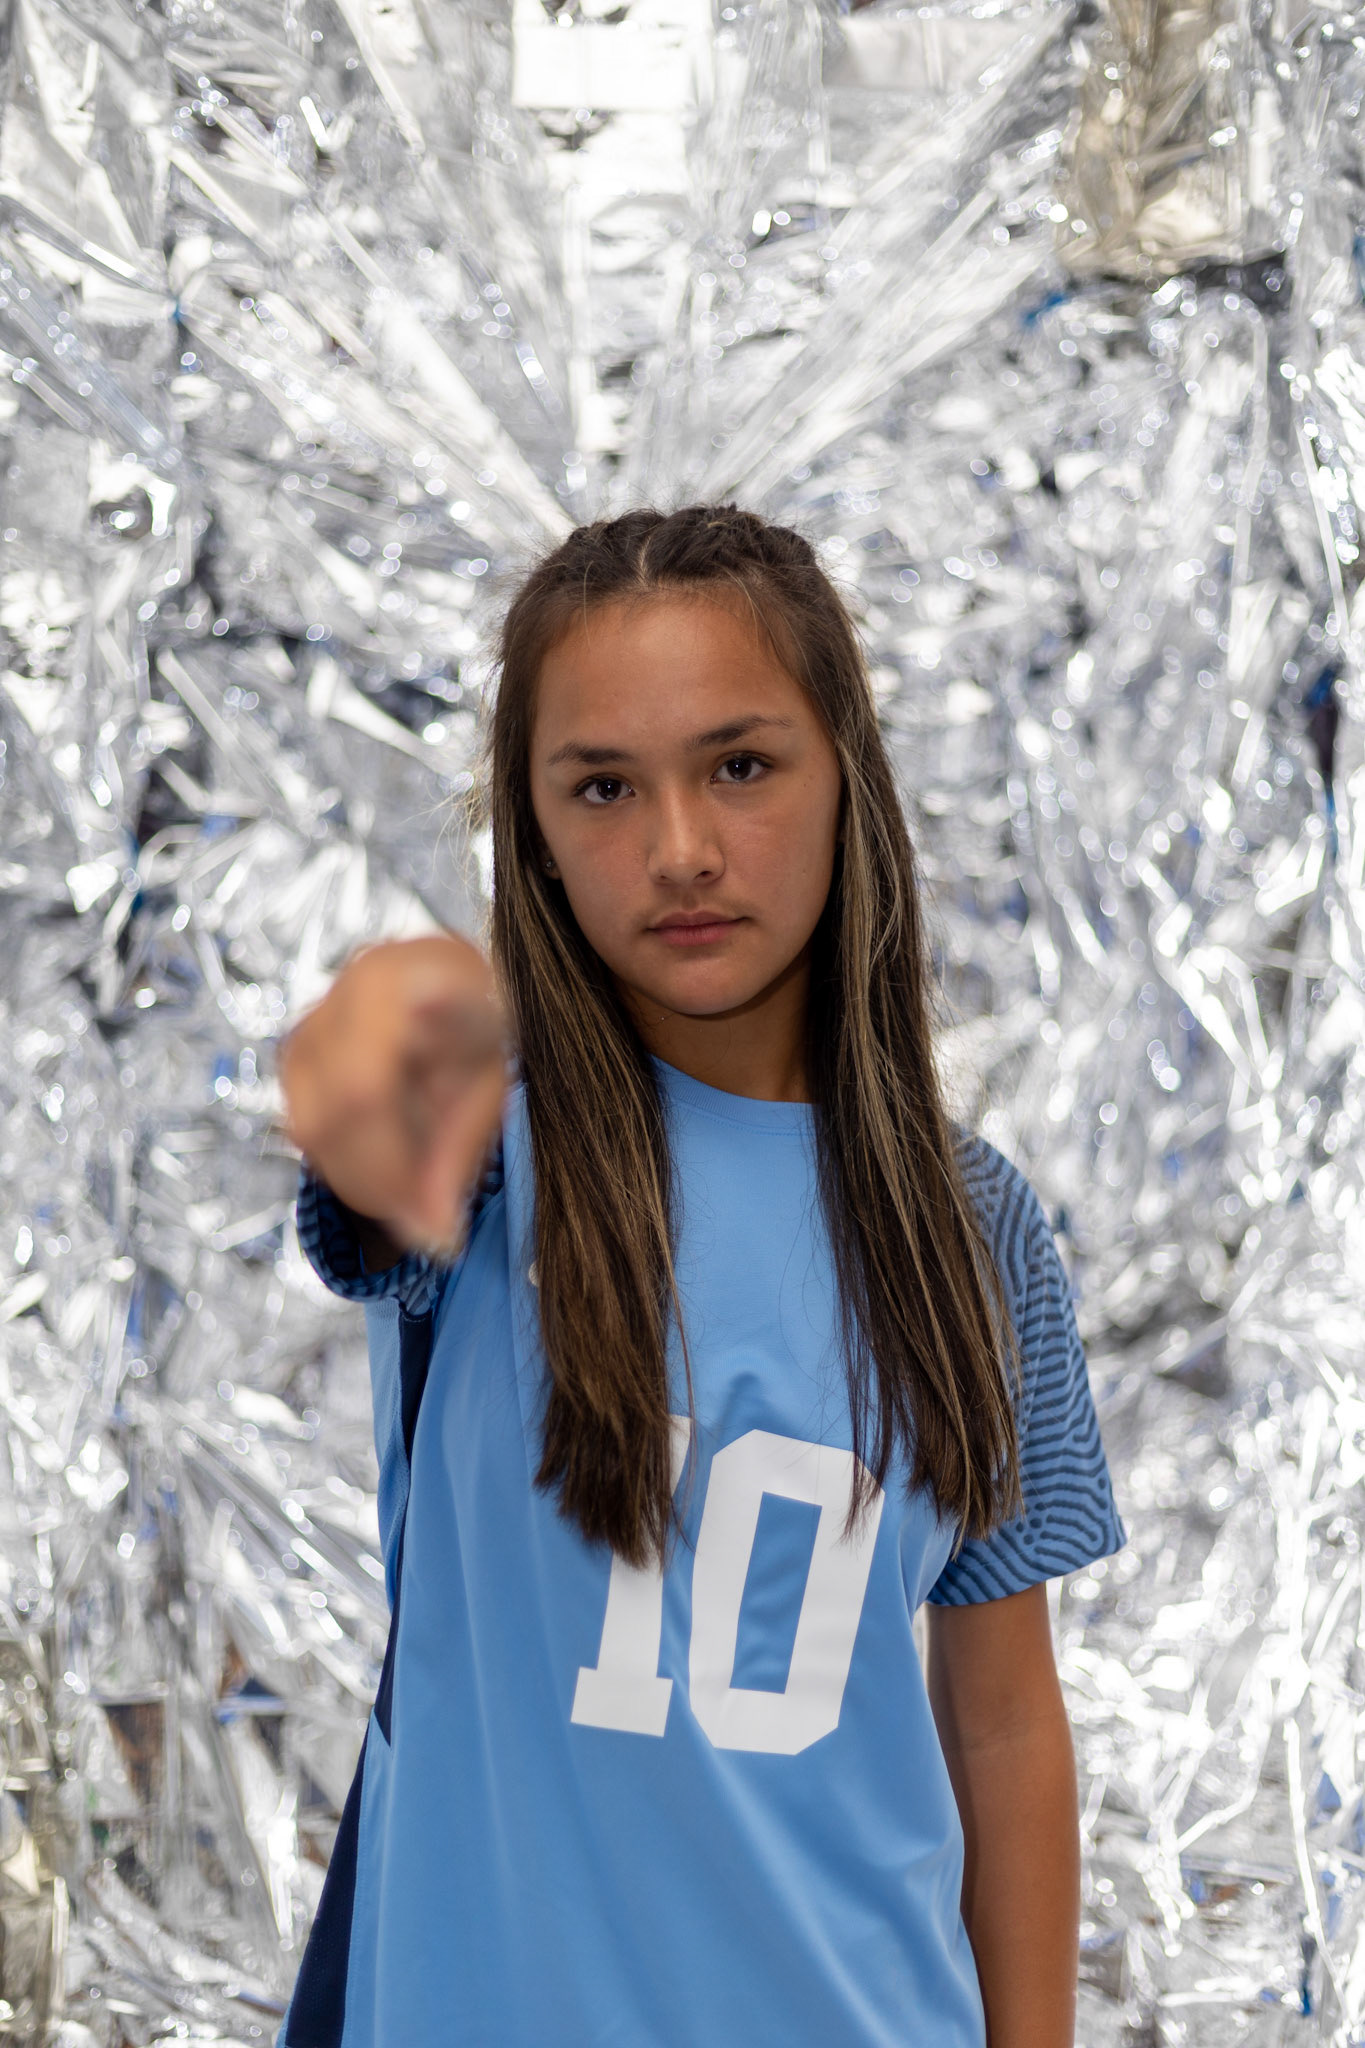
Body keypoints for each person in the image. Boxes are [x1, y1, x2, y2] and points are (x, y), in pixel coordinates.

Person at [277, 504, 1127, 2048]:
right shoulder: (479, 1158)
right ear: (527, 827)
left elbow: (1000, 1719)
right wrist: (386, 1011)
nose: (677, 849)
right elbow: (363, 1100)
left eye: (738, 765)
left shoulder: (974, 1226)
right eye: (600, 787)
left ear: (844, 775)